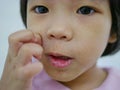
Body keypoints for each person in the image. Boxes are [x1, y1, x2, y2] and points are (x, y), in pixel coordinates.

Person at [0, 0, 120, 90]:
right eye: (41, 9)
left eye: (85, 10)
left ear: (114, 29)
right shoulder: (18, 83)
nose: (58, 30)